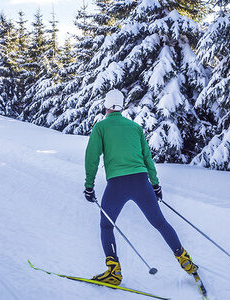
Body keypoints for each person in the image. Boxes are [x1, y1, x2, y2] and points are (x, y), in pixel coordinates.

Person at [84, 89, 198, 286]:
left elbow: (91, 157)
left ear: (106, 105)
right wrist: (155, 185)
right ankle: (185, 260)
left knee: (106, 225)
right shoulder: (135, 127)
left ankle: (113, 271)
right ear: (122, 105)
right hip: (140, 181)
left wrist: (89, 185)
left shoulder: (100, 127)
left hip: (117, 184)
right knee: (160, 223)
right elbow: (147, 158)